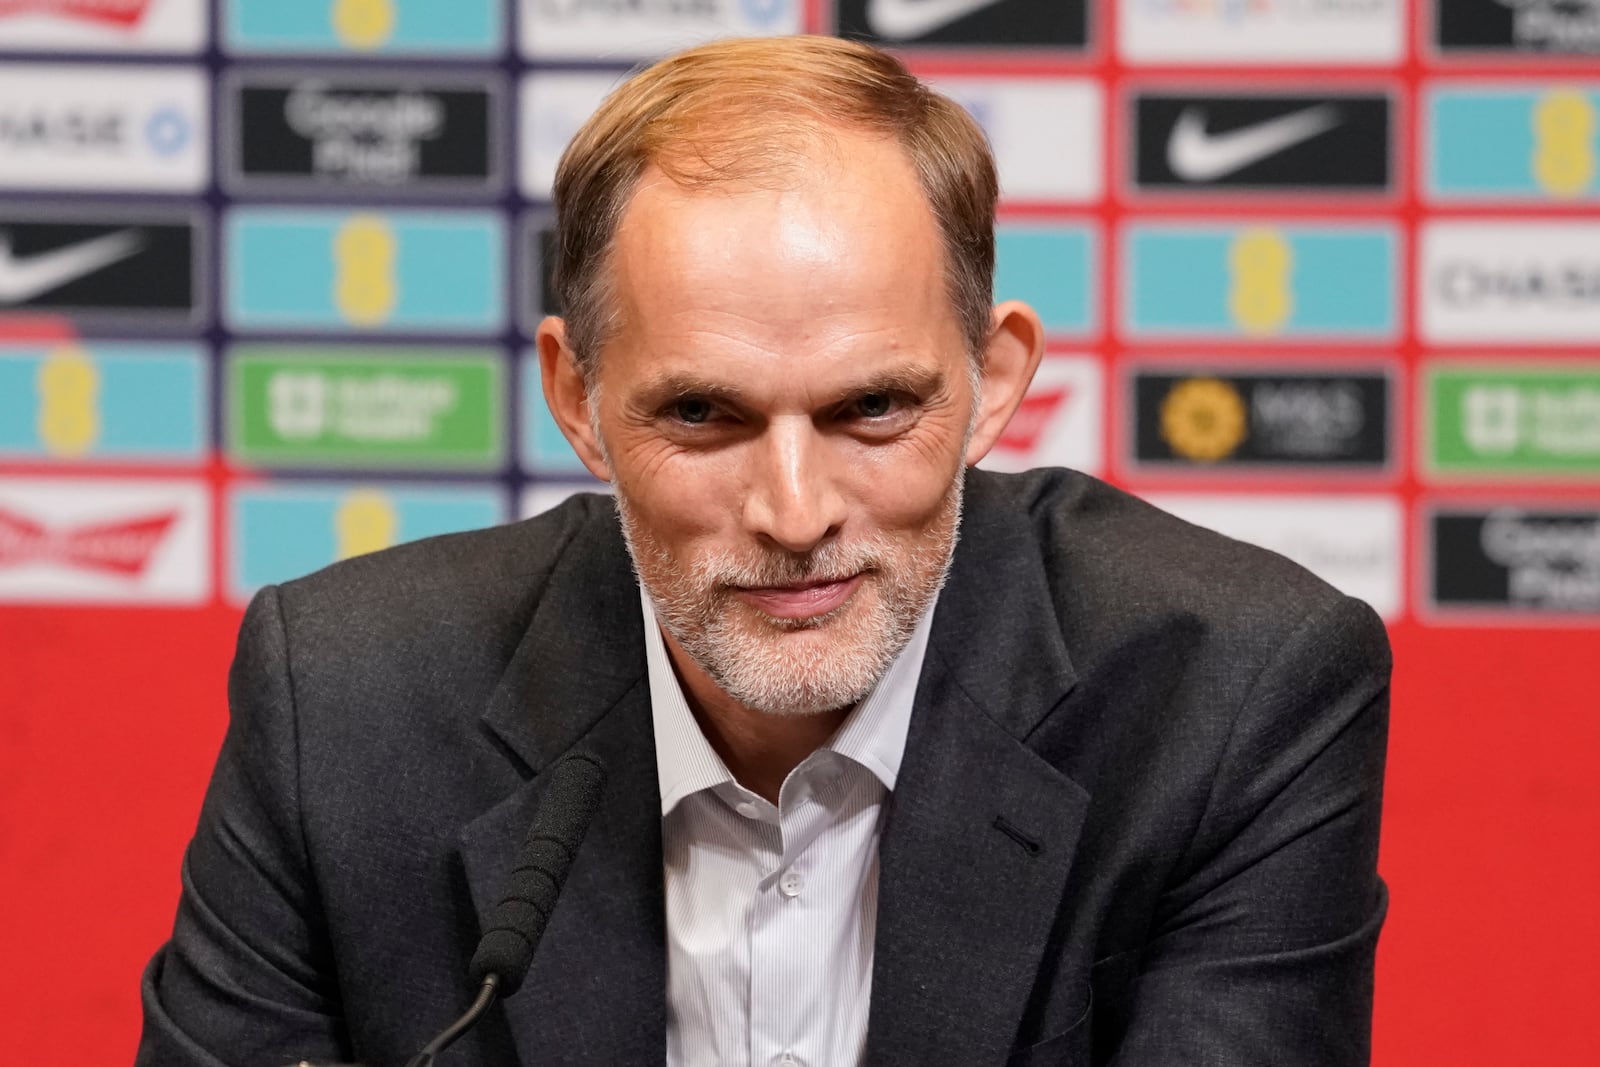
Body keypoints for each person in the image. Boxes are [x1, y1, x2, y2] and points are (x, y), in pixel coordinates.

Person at [137, 35, 1390, 1067]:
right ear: (578, 398)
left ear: (993, 381)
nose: (794, 513)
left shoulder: (1234, 694)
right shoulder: (345, 698)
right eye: (702, 415)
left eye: (872, 409)